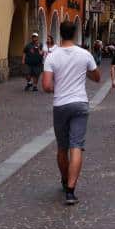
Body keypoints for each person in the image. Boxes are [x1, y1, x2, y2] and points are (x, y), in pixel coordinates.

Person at [42, 21, 100, 206]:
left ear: (60, 33)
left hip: (61, 104)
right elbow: (97, 77)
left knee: (62, 147)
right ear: (74, 33)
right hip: (80, 103)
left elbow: (46, 86)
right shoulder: (85, 54)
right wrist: (84, 73)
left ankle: (64, 179)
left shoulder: (52, 56)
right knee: (76, 146)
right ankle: (70, 191)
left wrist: (57, 87)